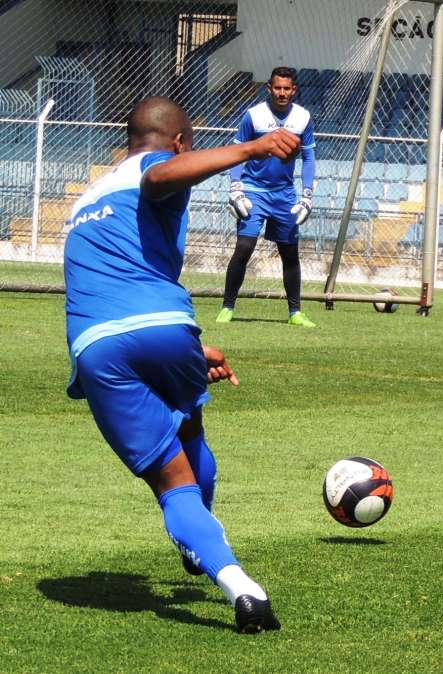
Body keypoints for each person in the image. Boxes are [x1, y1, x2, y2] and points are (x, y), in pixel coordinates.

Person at [63, 96, 301, 633]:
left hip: (98, 345)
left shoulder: (89, 197)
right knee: (189, 450)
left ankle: (233, 578)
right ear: (179, 142)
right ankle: (209, 551)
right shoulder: (154, 167)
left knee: (172, 483)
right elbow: (161, 176)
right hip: (166, 327)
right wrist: (255, 146)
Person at [217, 66, 317, 327]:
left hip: (284, 195)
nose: (282, 93)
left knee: (289, 253)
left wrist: (307, 195)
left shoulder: (303, 118)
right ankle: (227, 307)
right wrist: (235, 187)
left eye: (287, 88)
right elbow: (238, 152)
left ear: (294, 90)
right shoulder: (253, 116)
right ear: (269, 88)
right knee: (244, 248)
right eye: (277, 88)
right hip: (254, 191)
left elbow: (308, 158)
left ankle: (295, 313)